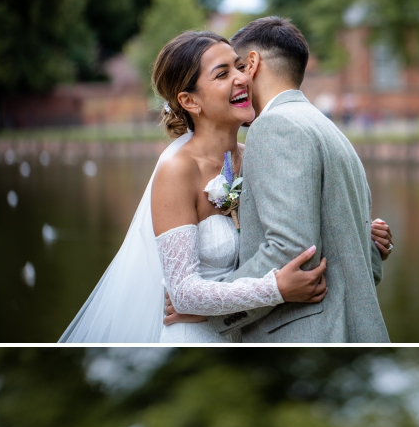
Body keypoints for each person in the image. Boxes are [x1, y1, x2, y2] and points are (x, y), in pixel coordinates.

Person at [60, 31, 391, 343]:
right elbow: (183, 293)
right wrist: (275, 289)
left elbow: (298, 238)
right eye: (222, 74)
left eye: (239, 66)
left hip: (249, 334)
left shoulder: (259, 155)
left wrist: (364, 240)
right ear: (190, 101)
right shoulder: (177, 170)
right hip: (197, 337)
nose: (242, 78)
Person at [210, 17, 390, 343]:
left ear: (252, 64)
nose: (234, 82)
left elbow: (292, 251)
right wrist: (369, 242)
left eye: (236, 69)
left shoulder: (275, 126)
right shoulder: (329, 129)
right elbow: (368, 266)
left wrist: (210, 305)